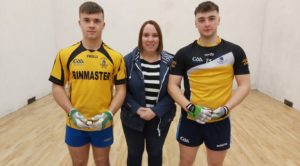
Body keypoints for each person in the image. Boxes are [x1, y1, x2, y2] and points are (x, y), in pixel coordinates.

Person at [168, 1, 251, 166]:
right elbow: (172, 85)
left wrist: (226, 109)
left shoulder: (235, 51)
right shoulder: (184, 53)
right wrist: (190, 107)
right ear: (195, 23)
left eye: (211, 18)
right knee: (185, 162)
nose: (207, 23)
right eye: (202, 19)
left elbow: (244, 85)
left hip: (220, 122)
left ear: (218, 20)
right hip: (190, 120)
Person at [49, 1, 126, 166]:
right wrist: (72, 112)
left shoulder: (115, 57)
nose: (92, 25)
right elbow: (57, 87)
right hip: (75, 123)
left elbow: (121, 90)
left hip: (103, 123)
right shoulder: (65, 54)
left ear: (103, 24)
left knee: (102, 162)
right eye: (87, 20)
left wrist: (109, 114)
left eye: (96, 21)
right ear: (79, 23)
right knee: (78, 163)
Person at [121, 20, 176, 166]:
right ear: (140, 38)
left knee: (155, 153)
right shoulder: (127, 61)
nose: (150, 39)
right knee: (134, 154)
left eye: (155, 35)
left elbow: (174, 92)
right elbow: (122, 91)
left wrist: (155, 111)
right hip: (132, 117)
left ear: (160, 38)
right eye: (146, 35)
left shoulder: (171, 61)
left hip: (160, 119)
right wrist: (137, 109)